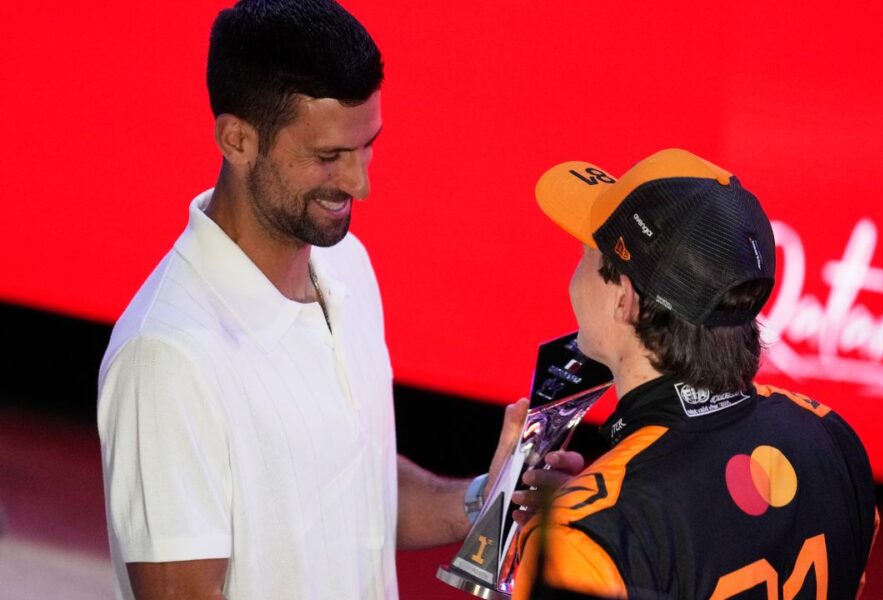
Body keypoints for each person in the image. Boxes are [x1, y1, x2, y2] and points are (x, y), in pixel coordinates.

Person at [96, 1, 553, 599]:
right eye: (328, 157)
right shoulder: (165, 356)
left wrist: (483, 501)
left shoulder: (347, 265)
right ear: (237, 139)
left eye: (366, 147)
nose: (360, 183)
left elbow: (346, 486)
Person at [513, 149, 878, 599]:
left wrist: (557, 535)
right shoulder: (831, 436)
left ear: (624, 299)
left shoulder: (582, 543)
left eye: (587, 253)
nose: (575, 272)